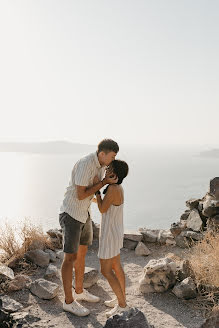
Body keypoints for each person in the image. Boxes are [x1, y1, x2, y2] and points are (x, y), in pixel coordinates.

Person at [59, 139, 119, 316]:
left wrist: (105, 183)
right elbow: (80, 194)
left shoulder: (100, 166)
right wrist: (104, 182)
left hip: (84, 214)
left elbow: (93, 189)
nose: (113, 159)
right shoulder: (86, 164)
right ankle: (68, 302)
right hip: (71, 214)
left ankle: (79, 291)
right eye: (113, 156)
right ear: (102, 154)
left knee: (82, 254)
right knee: (69, 257)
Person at [93, 159, 129, 317]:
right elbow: (107, 206)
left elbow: (102, 209)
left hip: (109, 234)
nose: (106, 170)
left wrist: (96, 192)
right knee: (116, 266)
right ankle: (121, 299)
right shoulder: (118, 187)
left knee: (106, 270)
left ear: (114, 173)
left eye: (109, 168)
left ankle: (122, 305)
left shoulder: (113, 189)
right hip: (115, 231)